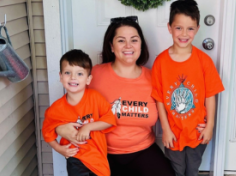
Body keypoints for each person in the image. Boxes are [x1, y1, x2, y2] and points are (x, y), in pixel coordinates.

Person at [56, 16, 176, 176]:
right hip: (99, 151)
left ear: (141, 45)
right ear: (111, 46)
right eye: (121, 41)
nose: (128, 46)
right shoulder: (94, 75)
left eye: (134, 40)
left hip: (142, 150)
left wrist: (197, 124)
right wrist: (59, 127)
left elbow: (171, 114)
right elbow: (68, 105)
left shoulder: (154, 77)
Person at [151, 0, 225, 176]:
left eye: (190, 28)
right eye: (179, 28)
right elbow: (159, 99)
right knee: (176, 170)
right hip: (173, 132)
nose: (184, 33)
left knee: (192, 170)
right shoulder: (160, 62)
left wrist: (210, 126)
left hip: (197, 132)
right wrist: (166, 130)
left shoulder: (204, 61)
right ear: (169, 27)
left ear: (197, 29)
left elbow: (210, 95)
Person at [42, 49, 116, 176]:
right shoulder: (55, 109)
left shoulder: (95, 98)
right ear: (60, 77)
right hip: (75, 158)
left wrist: (88, 127)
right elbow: (47, 133)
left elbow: (110, 120)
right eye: (67, 73)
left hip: (97, 158)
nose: (73, 77)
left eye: (79, 74)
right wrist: (59, 149)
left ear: (88, 79)